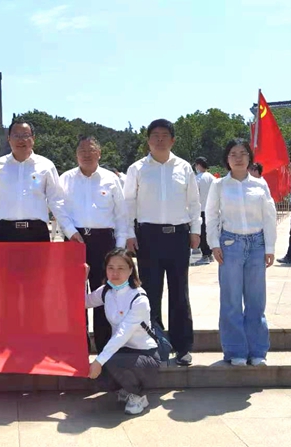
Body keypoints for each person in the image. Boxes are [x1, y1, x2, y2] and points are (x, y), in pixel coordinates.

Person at [123, 119, 201, 366]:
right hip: (148, 236)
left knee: (180, 292)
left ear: (173, 140)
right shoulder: (137, 169)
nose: (160, 139)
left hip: (178, 235)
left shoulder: (184, 167)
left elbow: (194, 203)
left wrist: (196, 230)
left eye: (165, 135)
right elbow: (128, 204)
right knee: (150, 292)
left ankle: (182, 346)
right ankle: (154, 344)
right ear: (148, 140)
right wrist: (129, 233)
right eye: (155, 135)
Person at [205, 139, 276, 367]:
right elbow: (211, 215)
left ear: (250, 158)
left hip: (257, 245)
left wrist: (270, 247)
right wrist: (214, 244)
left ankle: (257, 351)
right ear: (227, 159)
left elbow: (269, 216)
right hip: (230, 244)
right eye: (233, 154)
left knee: (256, 300)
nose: (238, 158)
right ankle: (235, 351)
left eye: (243, 153)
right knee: (231, 300)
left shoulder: (260, 185)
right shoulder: (219, 186)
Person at [60, 136, 128, 353]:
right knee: (75, 294)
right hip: (75, 240)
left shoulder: (111, 179)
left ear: (99, 153)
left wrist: (119, 249)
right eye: (82, 151)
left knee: (104, 292)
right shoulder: (65, 179)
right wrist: (70, 231)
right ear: (76, 154)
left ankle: (104, 345)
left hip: (104, 241)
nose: (86, 155)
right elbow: (58, 209)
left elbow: (121, 215)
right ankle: (78, 345)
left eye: (91, 150)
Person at [0, 119, 81, 243]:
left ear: (33, 138)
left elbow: (56, 201)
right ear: (9, 139)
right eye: (16, 135)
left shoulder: (46, 166)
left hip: (37, 232)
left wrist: (69, 230)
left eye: (25, 135)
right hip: (6, 232)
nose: (21, 140)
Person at [86, 248, 160, 415]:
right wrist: (82, 280)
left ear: (131, 270)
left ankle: (139, 395)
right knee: (100, 377)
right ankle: (126, 389)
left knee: (108, 361)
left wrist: (99, 361)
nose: (115, 273)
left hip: (145, 355)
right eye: (111, 268)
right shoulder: (106, 291)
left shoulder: (139, 298)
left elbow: (122, 334)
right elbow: (83, 302)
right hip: (123, 352)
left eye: (121, 268)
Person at [192, 156, 215, 265]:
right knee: (209, 232)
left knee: (202, 234)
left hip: (201, 209)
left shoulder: (198, 178)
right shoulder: (212, 178)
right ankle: (210, 254)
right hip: (211, 210)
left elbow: (195, 195)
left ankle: (205, 255)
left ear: (198, 165)